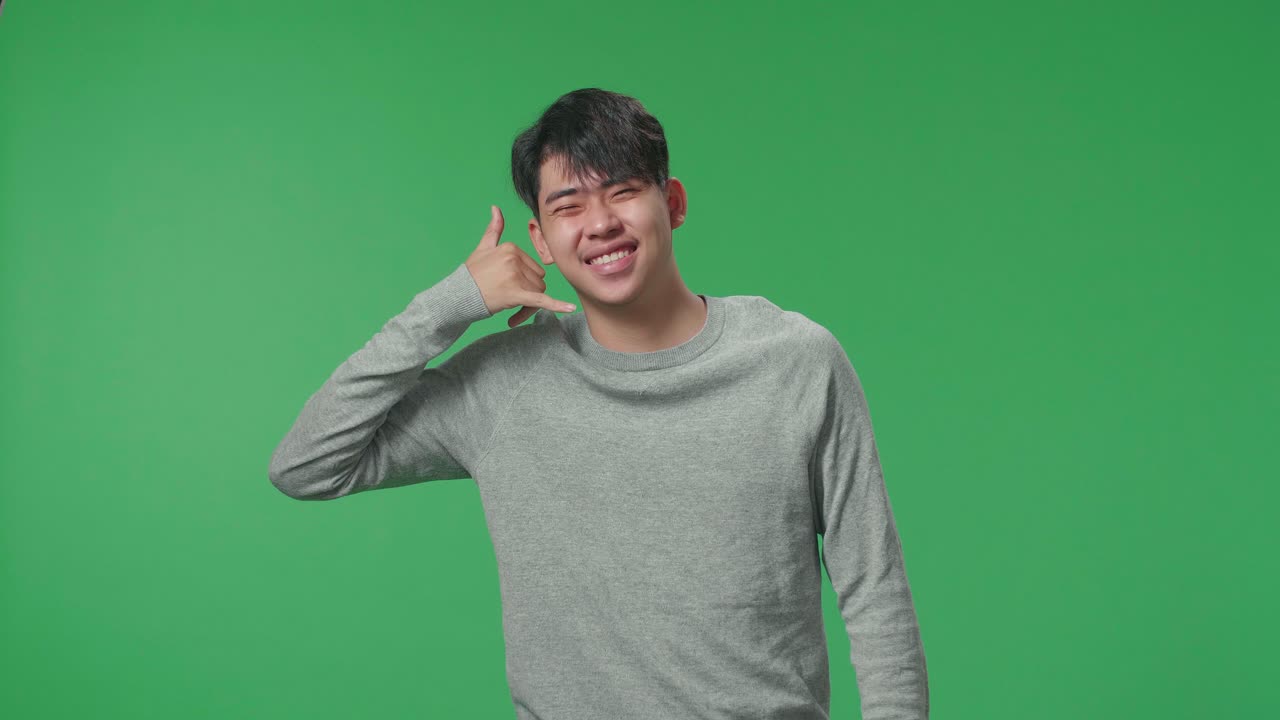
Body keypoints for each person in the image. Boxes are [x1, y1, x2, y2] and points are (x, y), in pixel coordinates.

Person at [268, 87, 929, 719]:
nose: (601, 224)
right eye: (569, 207)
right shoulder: (503, 386)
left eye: (623, 191)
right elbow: (306, 464)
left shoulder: (796, 362)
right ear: (541, 240)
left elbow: (875, 592)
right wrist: (451, 304)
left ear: (672, 201)